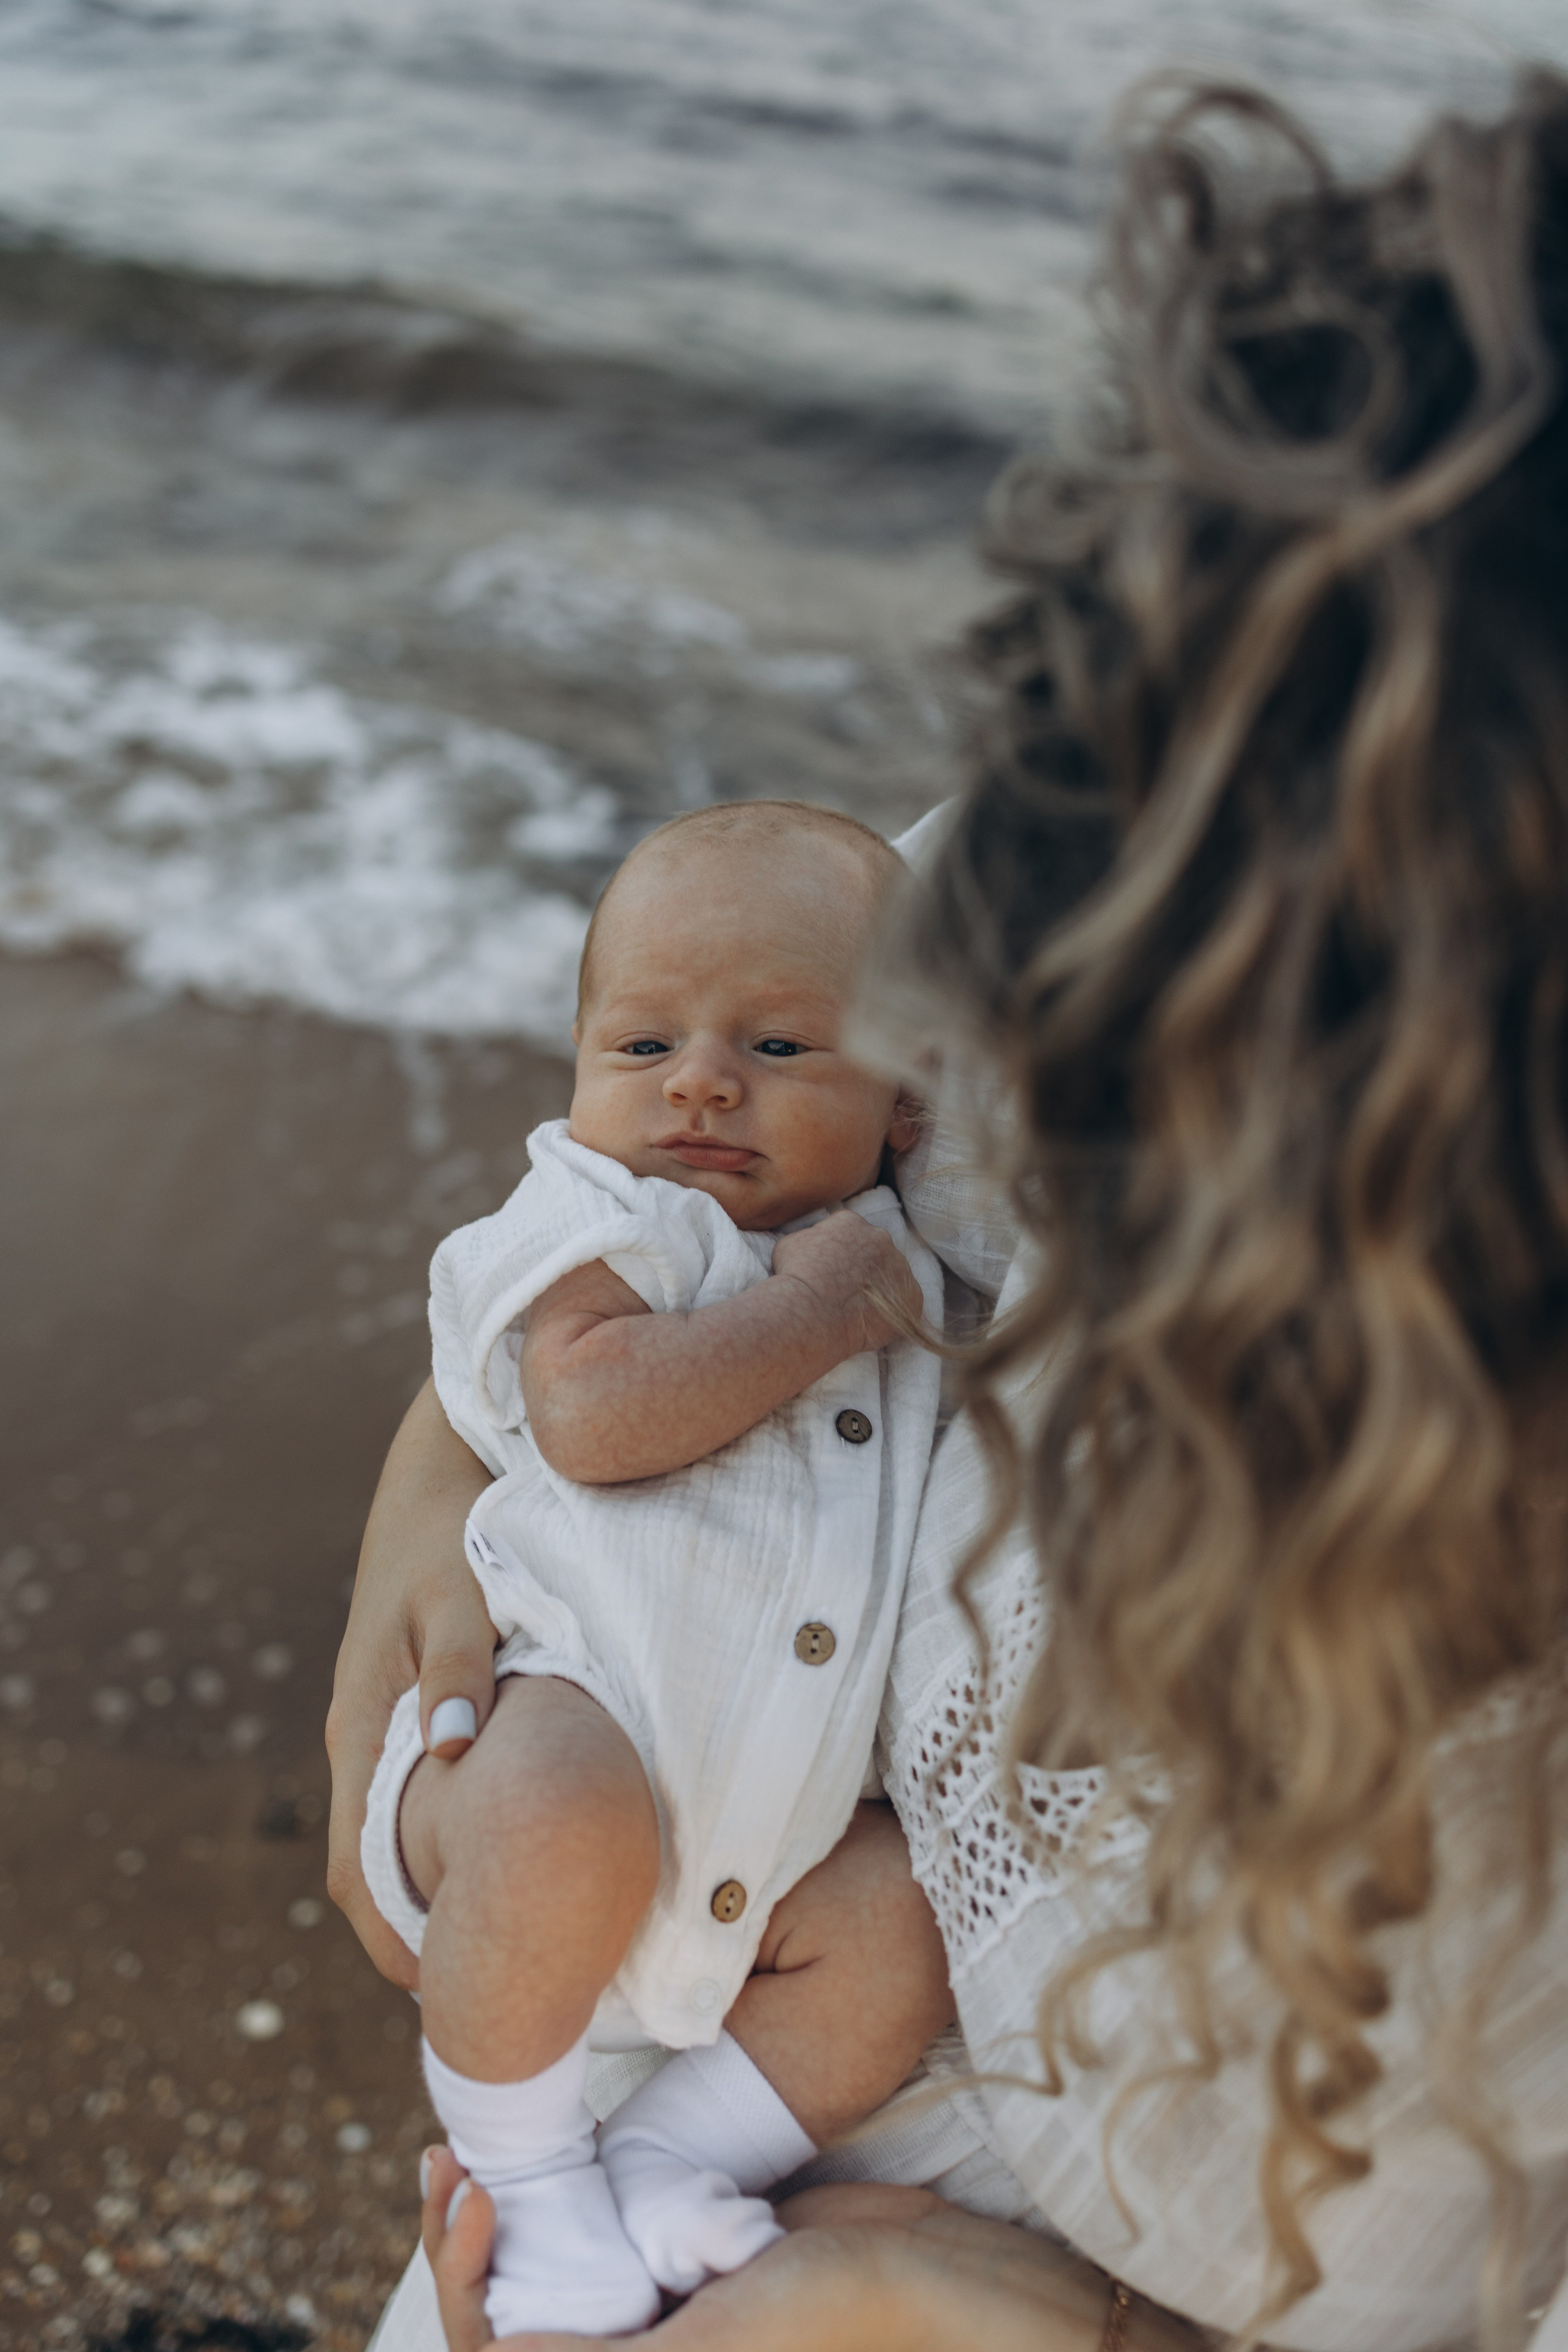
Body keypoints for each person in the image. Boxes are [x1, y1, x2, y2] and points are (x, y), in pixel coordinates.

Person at [331, 66, 1568, 2352]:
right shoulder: (1101, 864)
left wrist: (970, 2315)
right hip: (728, 2057)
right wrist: (412, 1563)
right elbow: (585, 1271)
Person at [355, 801, 956, 2337]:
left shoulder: (899, 1269)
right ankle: (534, 2174)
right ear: (576, 1070)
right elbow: (595, 1413)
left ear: (908, 1100)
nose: (695, 1081)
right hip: (548, 1741)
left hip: (777, 1863)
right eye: (640, 1050)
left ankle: (672, 2157)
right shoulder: (610, 1224)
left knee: (898, 1933)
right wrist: (819, 1310)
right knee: (560, 1809)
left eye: (774, 1050)